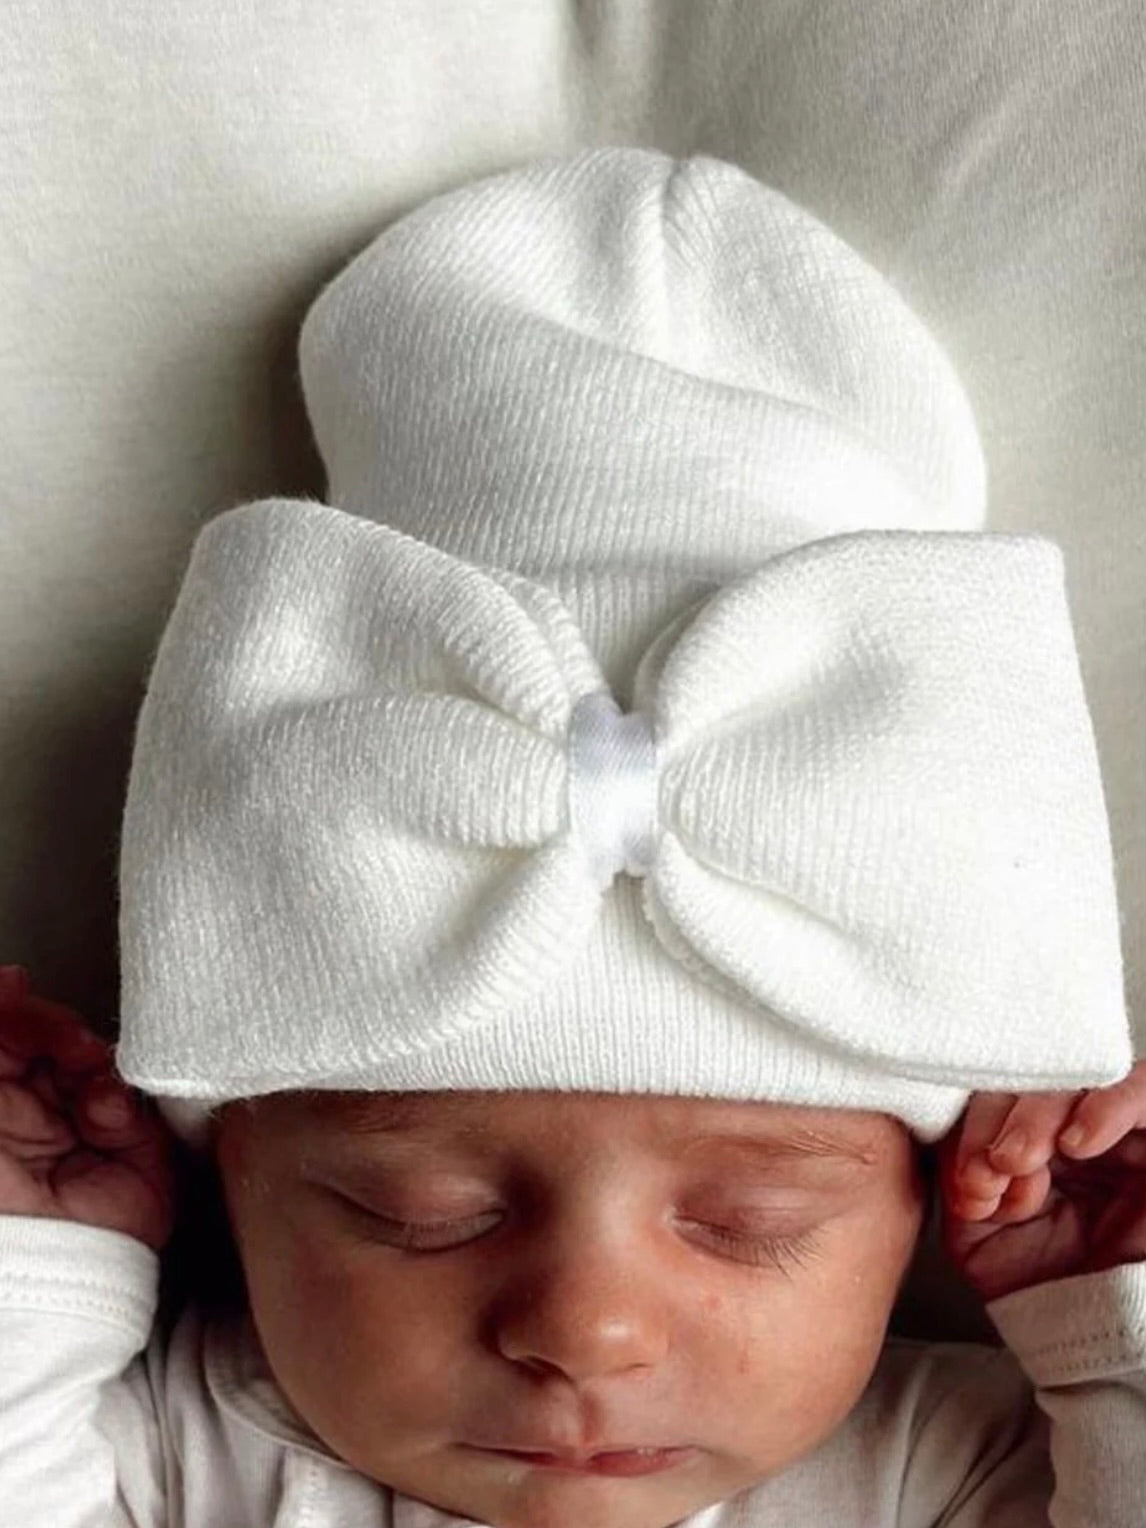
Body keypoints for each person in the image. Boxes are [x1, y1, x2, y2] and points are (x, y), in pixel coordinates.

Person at [0, 146, 1143, 1528]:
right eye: (417, 1212)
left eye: (751, 1224)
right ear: (224, 1174)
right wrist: (40, 1278)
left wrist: (1110, 1317)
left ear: (924, 1210)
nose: (585, 1331)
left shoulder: (945, 1469)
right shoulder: (167, 1448)